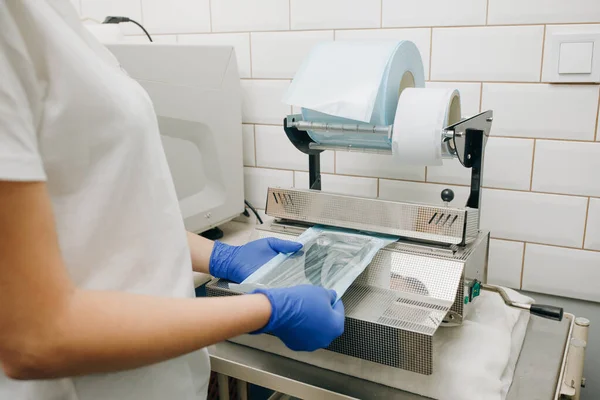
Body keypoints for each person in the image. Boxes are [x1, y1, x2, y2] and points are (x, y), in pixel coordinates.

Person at [0, 1, 345, 399]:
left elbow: (100, 217)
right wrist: (266, 310)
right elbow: (35, 336)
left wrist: (219, 256)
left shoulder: (62, 22)